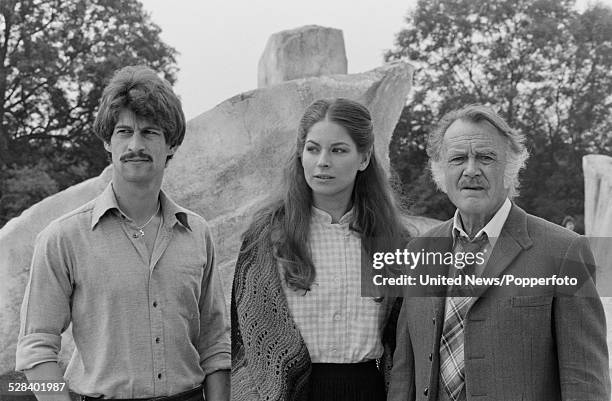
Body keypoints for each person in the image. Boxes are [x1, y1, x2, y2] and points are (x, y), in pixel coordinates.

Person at [16, 65, 230, 401]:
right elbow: (35, 347)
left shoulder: (197, 233)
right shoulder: (63, 238)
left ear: (171, 144)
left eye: (150, 133)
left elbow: (215, 343)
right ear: (107, 141)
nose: (135, 144)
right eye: (124, 131)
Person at [388, 104, 610, 401]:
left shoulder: (565, 251)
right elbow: (405, 372)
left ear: (511, 167)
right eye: (457, 159)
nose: (471, 170)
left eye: (485, 157)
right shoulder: (418, 252)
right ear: (440, 171)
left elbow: (584, 380)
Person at [231, 98, 407, 401]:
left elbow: (405, 340)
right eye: (313, 149)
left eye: (338, 150)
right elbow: (246, 342)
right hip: (287, 392)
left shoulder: (393, 239)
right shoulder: (265, 236)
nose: (322, 161)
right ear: (301, 154)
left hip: (369, 391)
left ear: (363, 158)